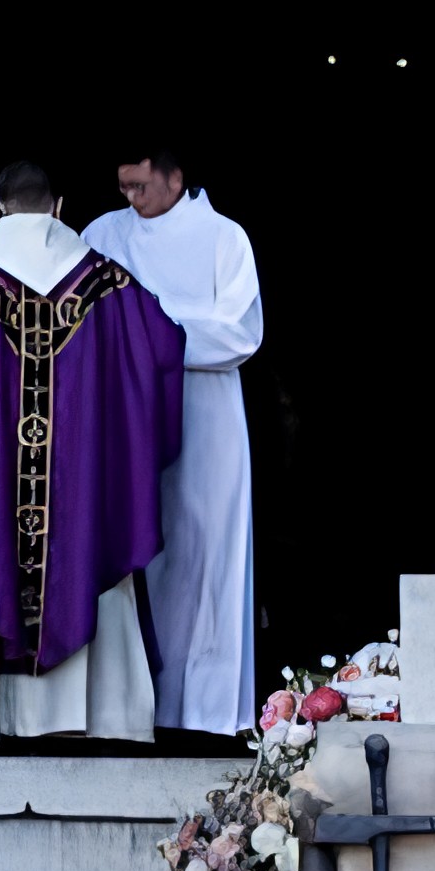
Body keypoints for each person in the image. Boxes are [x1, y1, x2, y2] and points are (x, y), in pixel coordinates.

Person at [0, 160, 185, 747]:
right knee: (90, 538)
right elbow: (164, 345)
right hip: (83, 491)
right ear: (59, 207)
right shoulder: (104, 283)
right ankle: (104, 717)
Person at [82, 149, 262, 735]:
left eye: (140, 185)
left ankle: (207, 710)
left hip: (207, 414)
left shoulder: (223, 237)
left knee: (207, 552)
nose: (131, 198)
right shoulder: (103, 235)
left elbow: (241, 331)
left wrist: (150, 327)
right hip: (127, 414)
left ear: (175, 176)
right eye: (123, 186)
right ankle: (134, 706)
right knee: (139, 546)